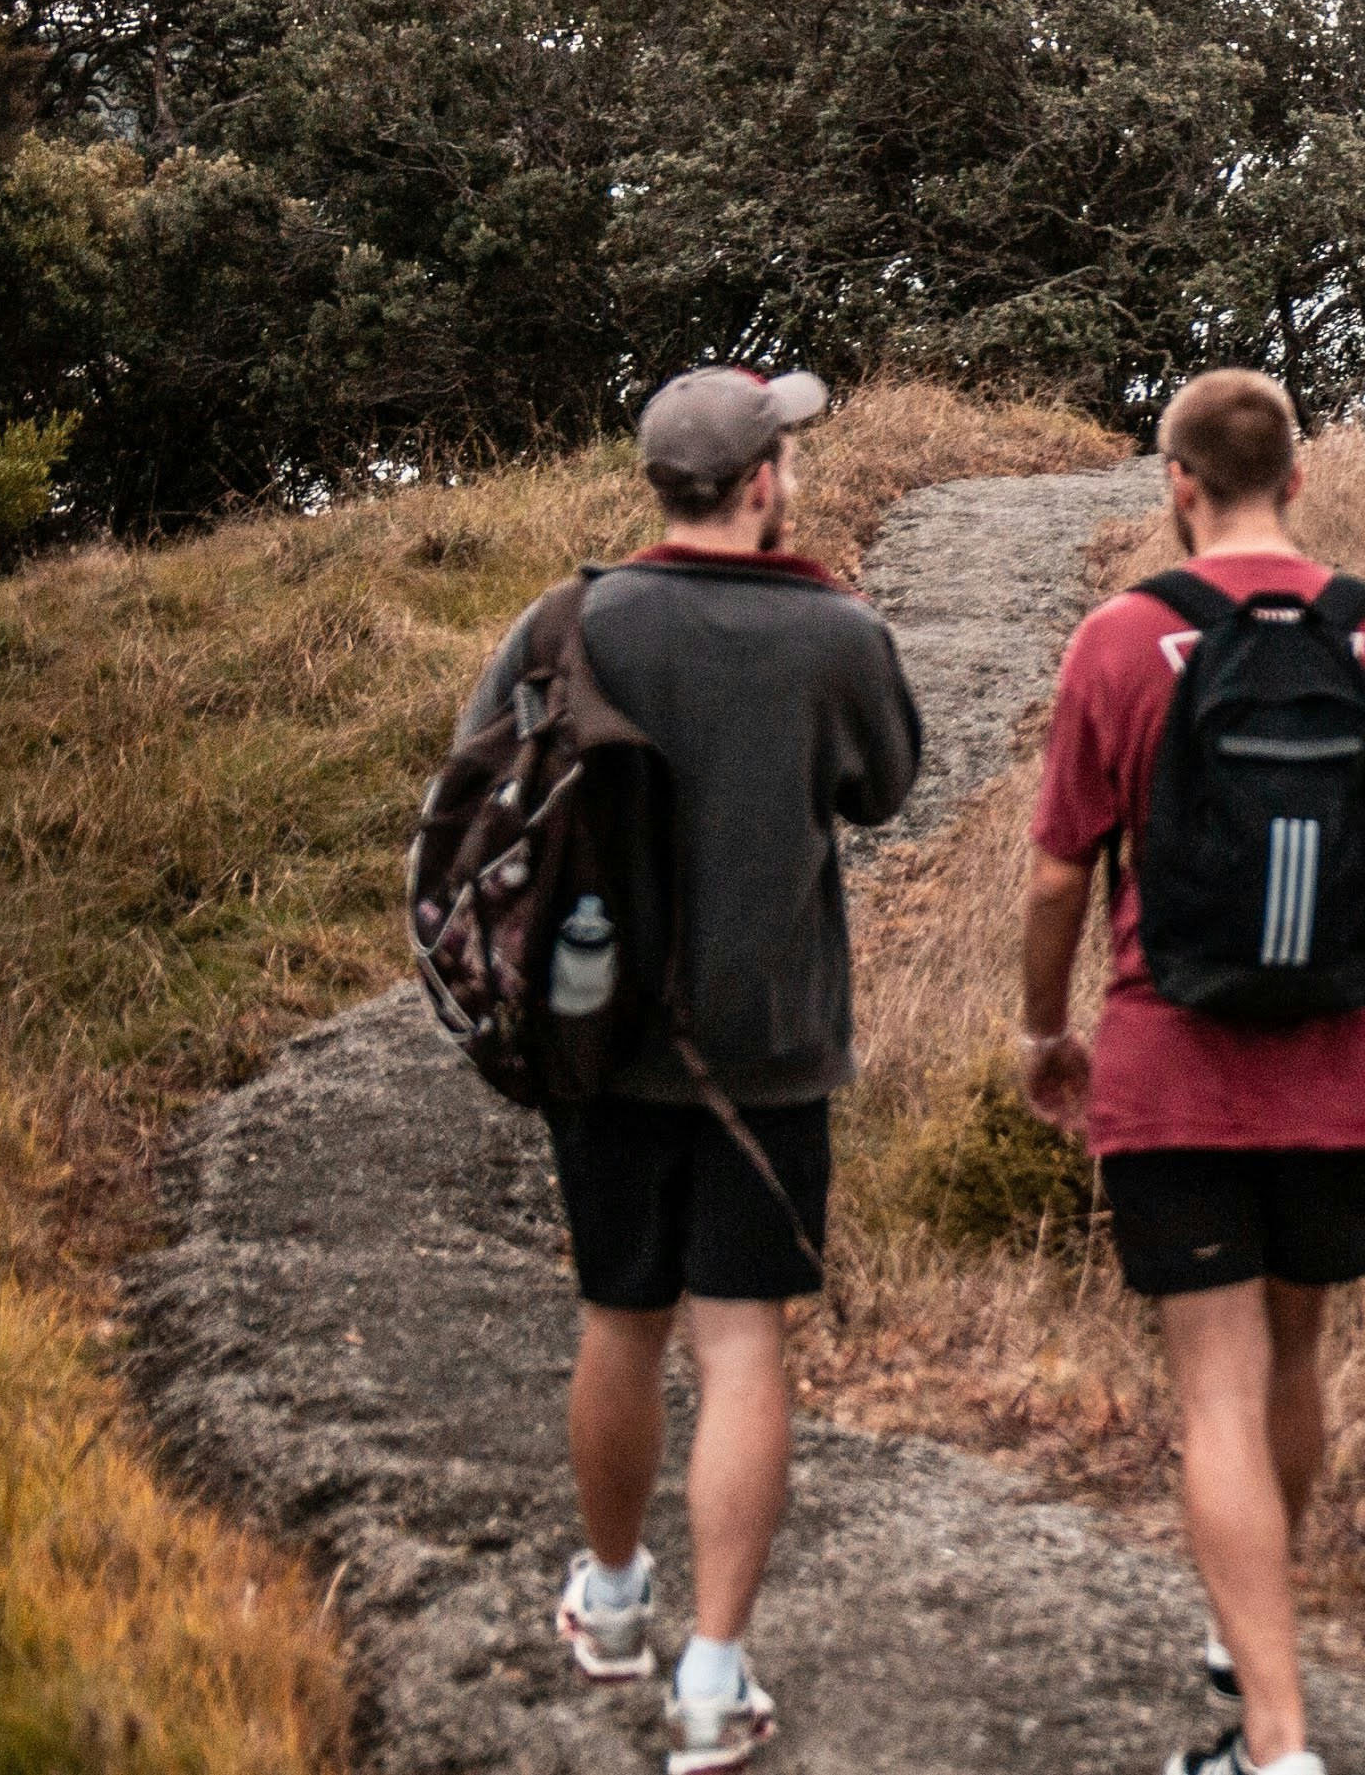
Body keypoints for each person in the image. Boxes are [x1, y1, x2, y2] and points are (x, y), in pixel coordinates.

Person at [1018, 368, 1365, 1775]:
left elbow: (1055, 876)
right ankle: (1249, 1633)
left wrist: (1046, 1028)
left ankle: (1270, 1742)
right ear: (1296, 478)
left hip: (1170, 1064)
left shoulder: (1119, 637)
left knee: (1212, 1388)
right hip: (1337, 1066)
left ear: (1177, 482)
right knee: (1292, 1357)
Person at [465, 364, 920, 1775]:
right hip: (768, 1051)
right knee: (741, 1346)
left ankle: (609, 1601)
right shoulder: (835, 634)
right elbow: (885, 784)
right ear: (764, 479)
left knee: (619, 1317)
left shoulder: (571, 620)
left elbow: (483, 775)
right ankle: (713, 1681)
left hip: (598, 1044)